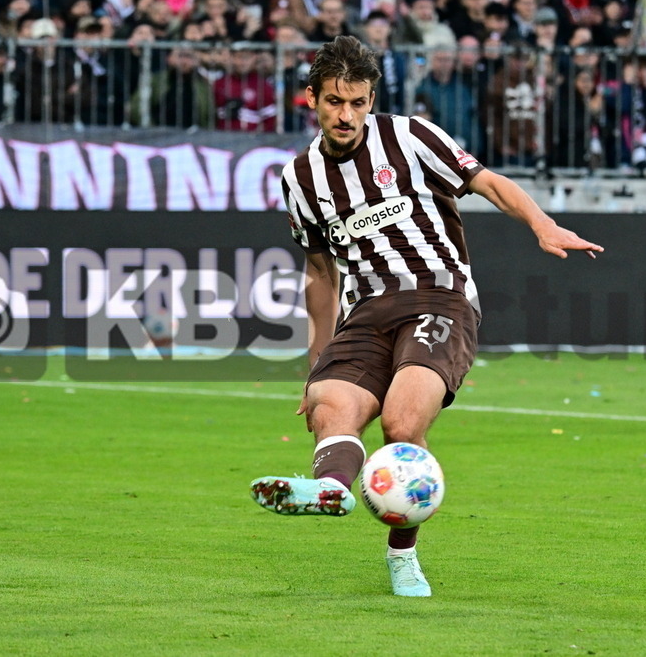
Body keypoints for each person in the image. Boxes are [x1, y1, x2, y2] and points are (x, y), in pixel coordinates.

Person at [249, 36, 601, 597]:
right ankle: (331, 490)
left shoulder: (409, 137)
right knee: (329, 405)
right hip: (363, 314)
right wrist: (317, 359)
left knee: (402, 424)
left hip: (439, 297)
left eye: (359, 102)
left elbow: (488, 183)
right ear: (311, 98)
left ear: (371, 99)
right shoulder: (299, 179)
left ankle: (402, 558)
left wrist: (544, 225)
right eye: (335, 102)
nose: (347, 115)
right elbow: (320, 271)